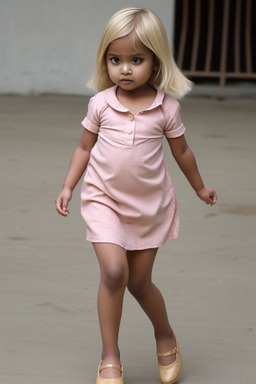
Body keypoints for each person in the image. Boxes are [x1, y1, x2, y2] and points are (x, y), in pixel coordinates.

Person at [55, 7, 217, 384]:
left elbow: (182, 152)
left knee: (139, 282)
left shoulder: (166, 108)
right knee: (114, 272)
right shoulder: (100, 104)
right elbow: (83, 148)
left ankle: (165, 334)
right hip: (103, 199)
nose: (124, 69)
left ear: (156, 63)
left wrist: (199, 187)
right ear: (105, 60)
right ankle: (110, 355)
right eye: (116, 59)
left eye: (136, 60)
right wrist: (68, 186)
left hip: (149, 205)